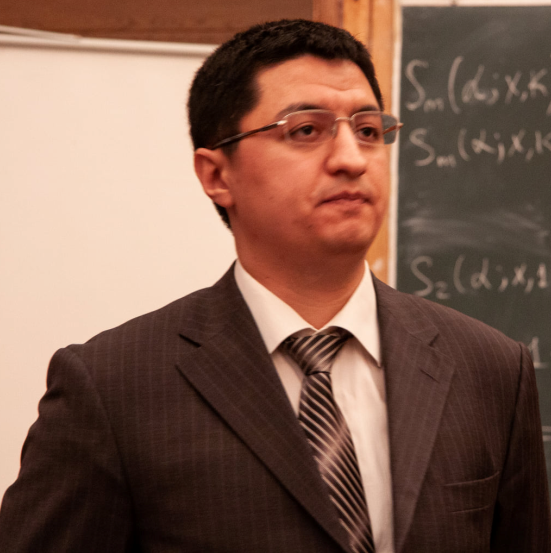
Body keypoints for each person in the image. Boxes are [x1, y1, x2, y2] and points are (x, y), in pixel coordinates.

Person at [0, 18, 549, 553]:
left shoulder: (490, 370)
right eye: (305, 130)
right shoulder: (112, 388)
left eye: (368, 130)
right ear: (217, 175)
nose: (351, 159)